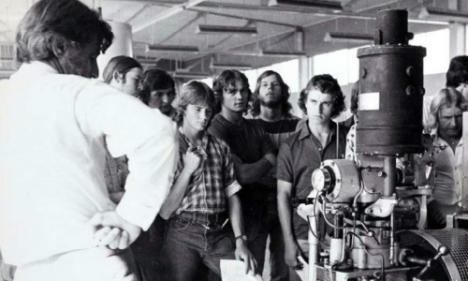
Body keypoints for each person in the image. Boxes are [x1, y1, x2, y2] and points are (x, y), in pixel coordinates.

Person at [0, 1, 176, 281]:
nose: (94, 70)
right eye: (92, 55)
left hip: (27, 266)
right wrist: (131, 218)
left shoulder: (5, 97)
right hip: (89, 260)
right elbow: (159, 132)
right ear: (60, 46)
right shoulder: (75, 92)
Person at [158, 80, 256, 281]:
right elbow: (166, 212)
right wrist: (187, 171)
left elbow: (233, 197)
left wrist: (240, 241)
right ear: (184, 108)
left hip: (218, 233)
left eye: (208, 111)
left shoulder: (220, 147)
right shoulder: (169, 146)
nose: (204, 117)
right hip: (182, 232)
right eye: (198, 109)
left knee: (249, 278)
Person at [277, 74, 346, 281]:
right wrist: (289, 243)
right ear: (305, 102)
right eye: (314, 102)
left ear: (335, 105)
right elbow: (283, 196)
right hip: (302, 234)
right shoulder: (291, 146)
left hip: (342, 232)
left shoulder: (348, 139)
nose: (318, 110)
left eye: (325, 103)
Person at [209, 69, 277, 276]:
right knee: (236, 275)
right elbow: (242, 176)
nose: (239, 97)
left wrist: (260, 166)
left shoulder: (255, 127)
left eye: (243, 91)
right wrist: (266, 160)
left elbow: (274, 167)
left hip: (258, 216)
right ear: (220, 94)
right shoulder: (216, 128)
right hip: (230, 222)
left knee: (254, 275)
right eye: (231, 91)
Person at [249, 70, 299, 281]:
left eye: (275, 84)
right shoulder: (249, 126)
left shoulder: (297, 125)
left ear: (284, 91)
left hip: (287, 200)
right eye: (265, 84)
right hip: (256, 201)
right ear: (257, 92)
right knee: (253, 265)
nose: (270, 88)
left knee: (283, 267)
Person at [102, 55, 143, 203]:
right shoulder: (97, 112)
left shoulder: (126, 117)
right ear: (117, 76)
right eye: (136, 80)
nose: (140, 87)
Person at [425, 87, 466, 229]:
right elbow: (420, 185)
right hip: (438, 217)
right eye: (447, 118)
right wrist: (433, 206)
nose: (454, 124)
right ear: (436, 117)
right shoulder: (428, 144)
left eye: (458, 116)